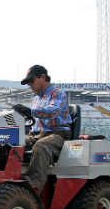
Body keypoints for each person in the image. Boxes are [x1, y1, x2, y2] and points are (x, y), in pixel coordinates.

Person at [12, 65, 72, 194]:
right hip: (38, 134)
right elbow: (34, 118)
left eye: (31, 81)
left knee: (41, 146)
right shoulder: (36, 99)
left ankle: (32, 186)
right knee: (12, 142)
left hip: (58, 134)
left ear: (43, 77)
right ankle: (10, 178)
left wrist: (30, 111)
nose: (30, 85)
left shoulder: (57, 93)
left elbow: (53, 111)